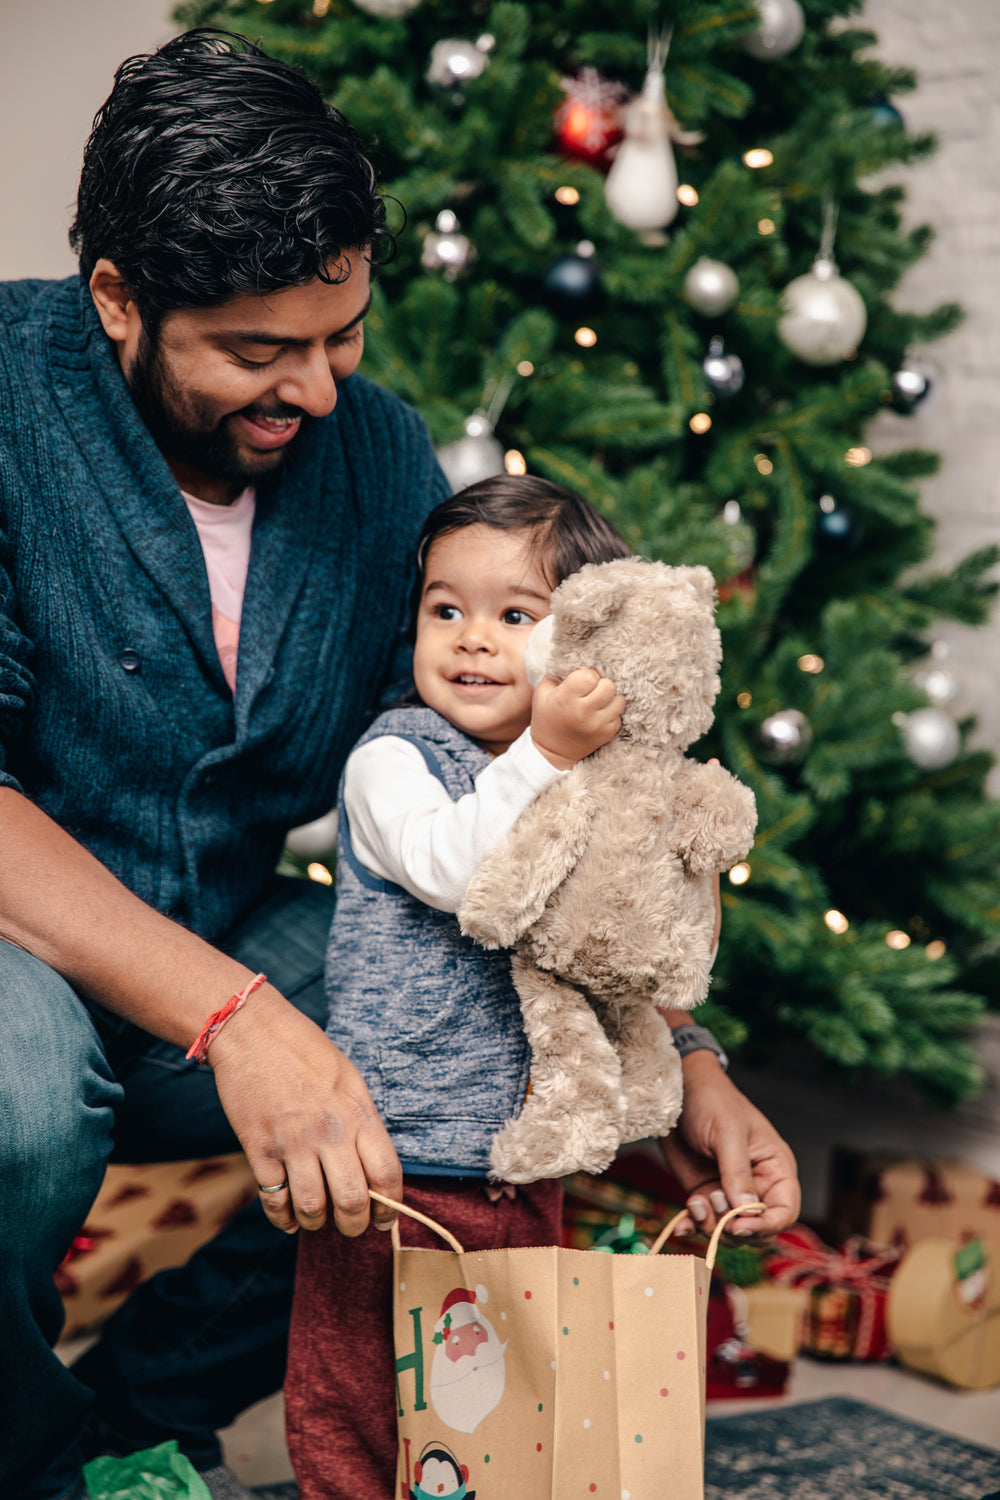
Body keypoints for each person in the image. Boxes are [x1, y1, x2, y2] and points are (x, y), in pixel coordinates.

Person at [0, 28, 797, 1500]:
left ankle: (127, 1416)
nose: (314, 388)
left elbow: (508, 793)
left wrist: (681, 1060)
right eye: (256, 350)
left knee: (450, 1016)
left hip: (230, 922)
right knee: (17, 1086)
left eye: (342, 333)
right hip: (22, 951)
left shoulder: (373, 456)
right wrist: (242, 1023)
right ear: (118, 297)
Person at [284, 476, 800, 1500]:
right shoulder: (394, 759)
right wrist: (545, 754)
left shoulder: (591, 780)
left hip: (527, 1151)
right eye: (445, 608)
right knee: (357, 1385)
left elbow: (621, 950)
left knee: (500, 1389)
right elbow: (459, 873)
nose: (471, 638)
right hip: (398, 1153)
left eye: (514, 616)